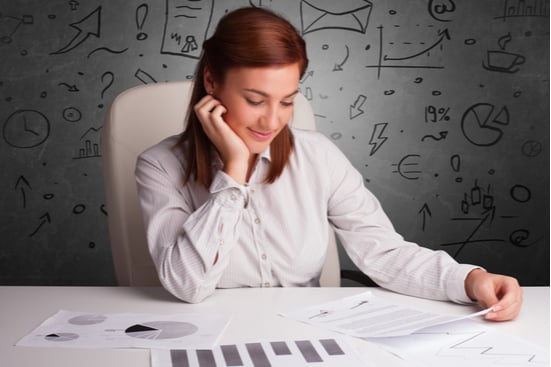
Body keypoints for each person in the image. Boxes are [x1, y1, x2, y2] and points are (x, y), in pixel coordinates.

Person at [135, 7, 522, 320]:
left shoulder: (317, 154)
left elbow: (383, 253)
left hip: (307, 334)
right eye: (255, 100)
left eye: (287, 101)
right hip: (211, 334)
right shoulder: (160, 165)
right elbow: (188, 285)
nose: (272, 121)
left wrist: (471, 279)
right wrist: (234, 171)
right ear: (211, 82)